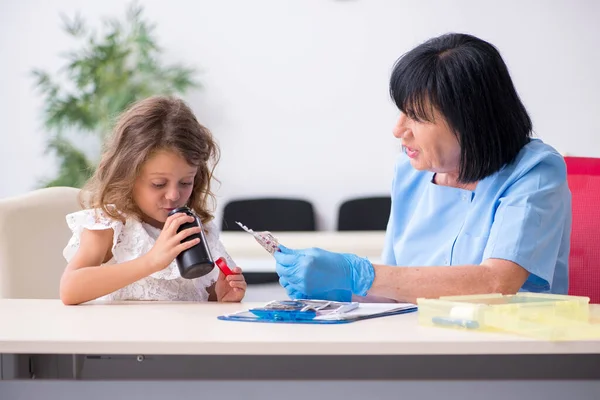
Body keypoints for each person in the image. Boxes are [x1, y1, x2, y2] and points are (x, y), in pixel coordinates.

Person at [275, 33, 571, 304]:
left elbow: (497, 282)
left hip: (506, 350)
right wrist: (339, 290)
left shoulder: (535, 173)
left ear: (469, 120)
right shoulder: (409, 173)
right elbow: (395, 286)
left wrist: (360, 274)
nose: (398, 129)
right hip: (418, 342)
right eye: (402, 111)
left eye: (416, 116)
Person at [60, 96, 246, 305]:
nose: (174, 195)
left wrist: (221, 295)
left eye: (185, 182)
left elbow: (197, 295)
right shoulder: (110, 225)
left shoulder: (194, 229)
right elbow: (70, 289)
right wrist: (151, 261)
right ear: (128, 176)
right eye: (158, 184)